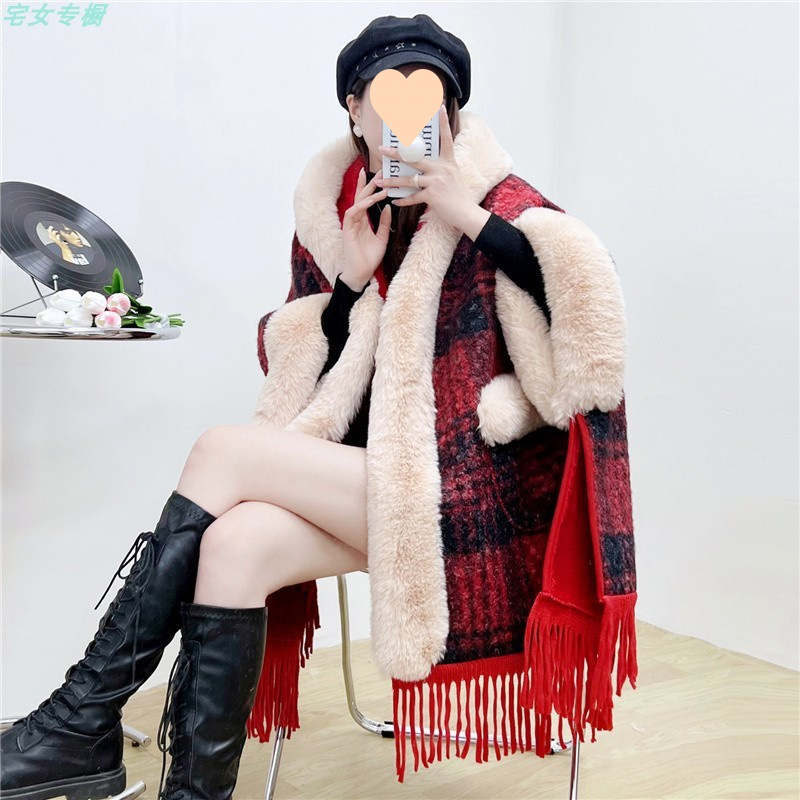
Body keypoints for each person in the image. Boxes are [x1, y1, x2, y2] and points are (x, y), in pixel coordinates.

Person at [1, 13, 635, 800]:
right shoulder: (335, 216)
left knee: (220, 451)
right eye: (389, 98)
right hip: (370, 483)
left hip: (472, 493)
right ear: (355, 109)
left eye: (430, 100)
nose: (410, 120)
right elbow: (305, 373)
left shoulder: (499, 201)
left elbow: (591, 327)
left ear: (451, 113)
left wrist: (469, 219)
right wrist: (350, 284)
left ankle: (79, 720)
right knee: (233, 546)